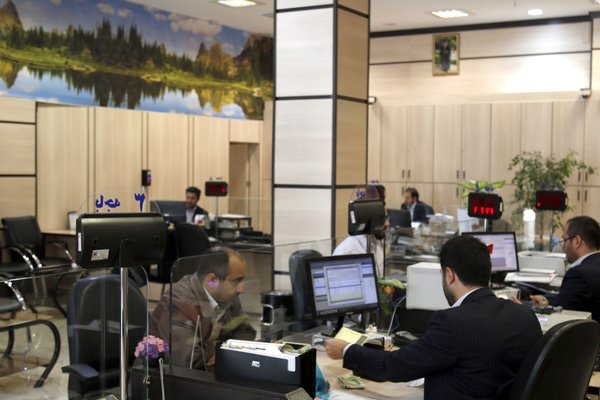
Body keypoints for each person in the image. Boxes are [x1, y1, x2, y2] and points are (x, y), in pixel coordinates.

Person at [325, 235, 542, 399]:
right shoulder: (524, 314)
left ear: (449, 275)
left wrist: (345, 350)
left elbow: (395, 366)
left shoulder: (453, 323)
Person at [149, 246, 256, 370]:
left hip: (206, 372)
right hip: (161, 377)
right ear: (212, 281)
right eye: (236, 281)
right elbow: (188, 361)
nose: (242, 289)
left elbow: (246, 332)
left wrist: (215, 348)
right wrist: (223, 346)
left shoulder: (228, 296)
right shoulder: (179, 301)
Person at [530, 215, 600, 322]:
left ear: (577, 241)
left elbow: (559, 315)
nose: (563, 247)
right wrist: (547, 300)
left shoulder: (578, 274)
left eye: (564, 240)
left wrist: (524, 310)